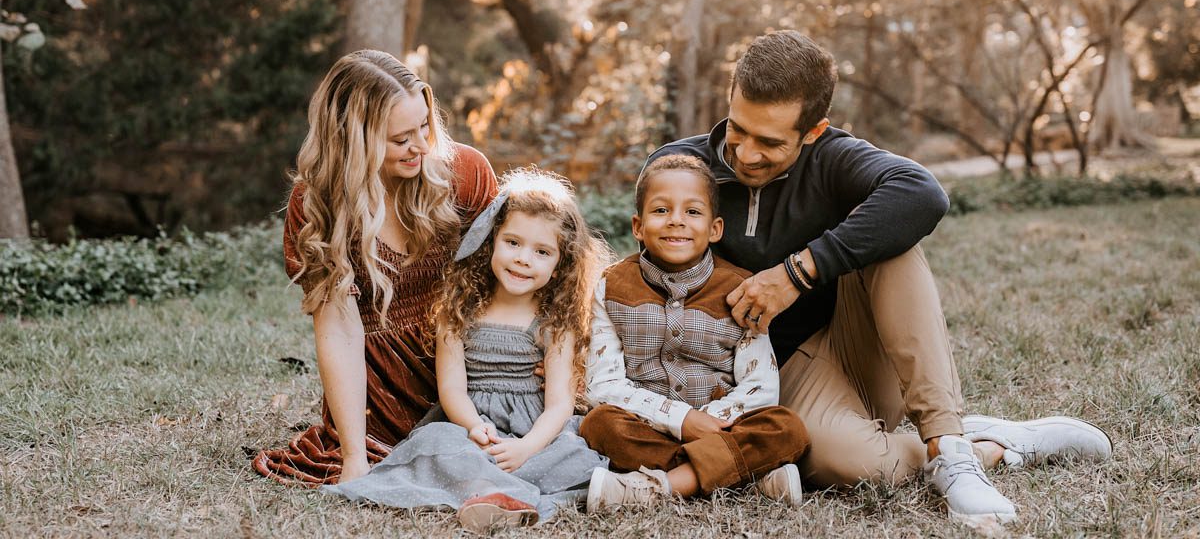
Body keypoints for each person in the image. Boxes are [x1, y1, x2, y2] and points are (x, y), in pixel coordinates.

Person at [648, 31, 1112, 527]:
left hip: (849, 345)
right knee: (856, 467)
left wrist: (795, 273)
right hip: (763, 382)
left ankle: (948, 444)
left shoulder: (832, 158)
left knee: (893, 239)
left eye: (770, 142)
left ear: (813, 131)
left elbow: (923, 194)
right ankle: (996, 445)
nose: (746, 154)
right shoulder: (680, 170)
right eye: (740, 129)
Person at [253, 50, 498, 486]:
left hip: (472, 369)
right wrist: (352, 456)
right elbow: (338, 328)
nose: (421, 145)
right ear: (353, 139)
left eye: (424, 125)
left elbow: (510, 286)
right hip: (380, 395)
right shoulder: (318, 204)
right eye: (400, 138)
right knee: (396, 463)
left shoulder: (465, 173)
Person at [324, 168, 609, 532]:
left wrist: (527, 447)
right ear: (491, 243)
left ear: (559, 265)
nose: (524, 258)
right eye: (513, 243)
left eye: (542, 251)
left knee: (573, 455)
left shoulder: (555, 322)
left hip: (533, 430)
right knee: (438, 441)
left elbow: (558, 405)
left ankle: (500, 490)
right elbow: (453, 390)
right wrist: (474, 426)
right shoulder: (459, 311)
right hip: (472, 426)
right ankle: (495, 494)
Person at [581, 154, 810, 511]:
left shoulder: (741, 288)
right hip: (649, 424)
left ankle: (660, 486)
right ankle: (744, 477)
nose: (676, 221)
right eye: (660, 211)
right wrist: (681, 420)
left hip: (725, 426)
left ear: (715, 228)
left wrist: (710, 422)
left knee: (786, 427)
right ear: (637, 226)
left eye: (692, 212)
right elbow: (604, 386)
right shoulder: (611, 286)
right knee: (600, 424)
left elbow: (759, 386)